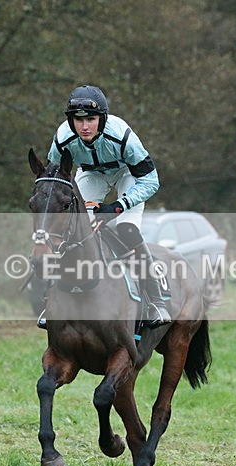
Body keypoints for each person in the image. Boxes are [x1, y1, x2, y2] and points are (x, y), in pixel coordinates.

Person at [37, 84, 171, 329]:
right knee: (74, 229)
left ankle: (155, 298)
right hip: (91, 175)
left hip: (128, 174)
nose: (84, 126)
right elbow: (54, 176)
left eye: (91, 119)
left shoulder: (122, 136)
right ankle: (51, 299)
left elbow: (151, 181)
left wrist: (117, 207)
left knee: (127, 229)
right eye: (78, 120)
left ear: (102, 119)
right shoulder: (62, 137)